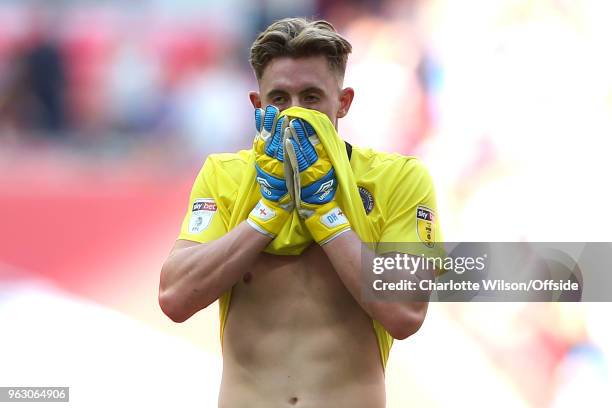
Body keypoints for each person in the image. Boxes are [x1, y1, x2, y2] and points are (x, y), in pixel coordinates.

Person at [159, 17, 442, 407]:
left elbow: (406, 311)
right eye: (279, 99)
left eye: (311, 97)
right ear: (257, 105)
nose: (295, 114)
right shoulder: (224, 175)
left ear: (342, 103)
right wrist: (267, 213)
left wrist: (324, 213)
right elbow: (174, 297)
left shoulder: (397, 178)